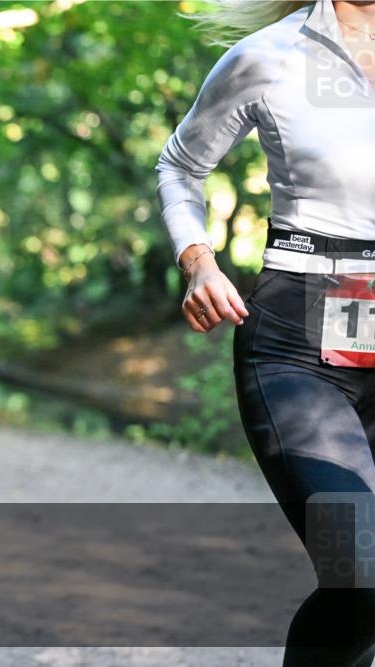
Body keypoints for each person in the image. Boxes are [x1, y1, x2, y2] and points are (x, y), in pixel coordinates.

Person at [156, 1, 374, 665]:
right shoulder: (269, 55)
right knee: (361, 566)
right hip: (296, 346)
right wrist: (198, 259)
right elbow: (180, 165)